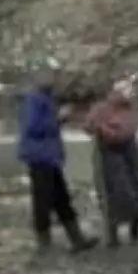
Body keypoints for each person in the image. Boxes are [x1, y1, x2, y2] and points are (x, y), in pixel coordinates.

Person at [16, 69, 98, 254]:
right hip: (39, 156)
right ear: (38, 78)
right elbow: (33, 128)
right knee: (42, 201)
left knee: (61, 198)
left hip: (50, 157)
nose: (54, 80)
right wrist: (58, 118)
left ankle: (77, 239)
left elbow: (49, 125)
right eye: (50, 76)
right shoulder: (33, 99)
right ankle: (44, 244)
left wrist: (62, 119)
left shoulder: (46, 98)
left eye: (55, 76)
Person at [83, 76, 138, 247]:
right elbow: (88, 126)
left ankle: (135, 228)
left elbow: (125, 133)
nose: (131, 93)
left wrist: (104, 129)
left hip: (128, 153)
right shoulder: (101, 108)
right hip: (106, 155)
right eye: (127, 90)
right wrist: (97, 127)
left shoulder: (130, 110)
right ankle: (112, 233)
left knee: (135, 191)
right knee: (112, 194)